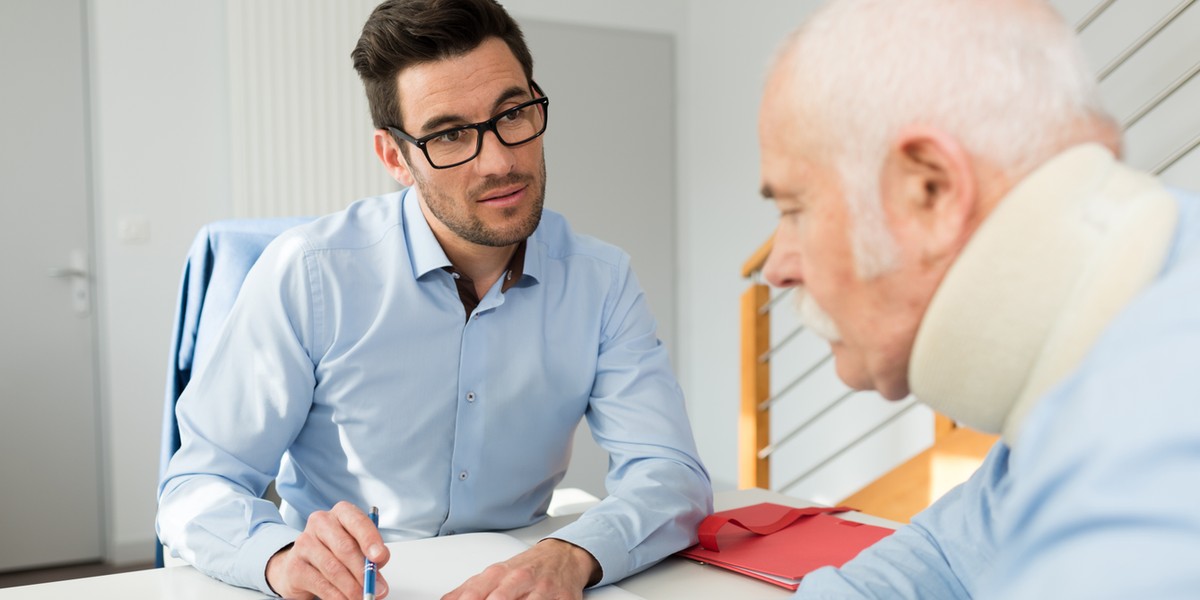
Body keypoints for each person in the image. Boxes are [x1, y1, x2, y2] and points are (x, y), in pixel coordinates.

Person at [156, 1, 712, 598]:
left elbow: (670, 473)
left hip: (517, 582)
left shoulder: (601, 281)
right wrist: (283, 556)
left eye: (514, 113)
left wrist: (573, 553)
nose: (501, 160)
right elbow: (198, 485)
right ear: (395, 157)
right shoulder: (309, 273)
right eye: (450, 135)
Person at [757, 0, 1200, 598]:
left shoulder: (1151, 476)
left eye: (793, 210)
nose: (775, 270)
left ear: (931, 190)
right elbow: (947, 556)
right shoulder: (1097, 355)